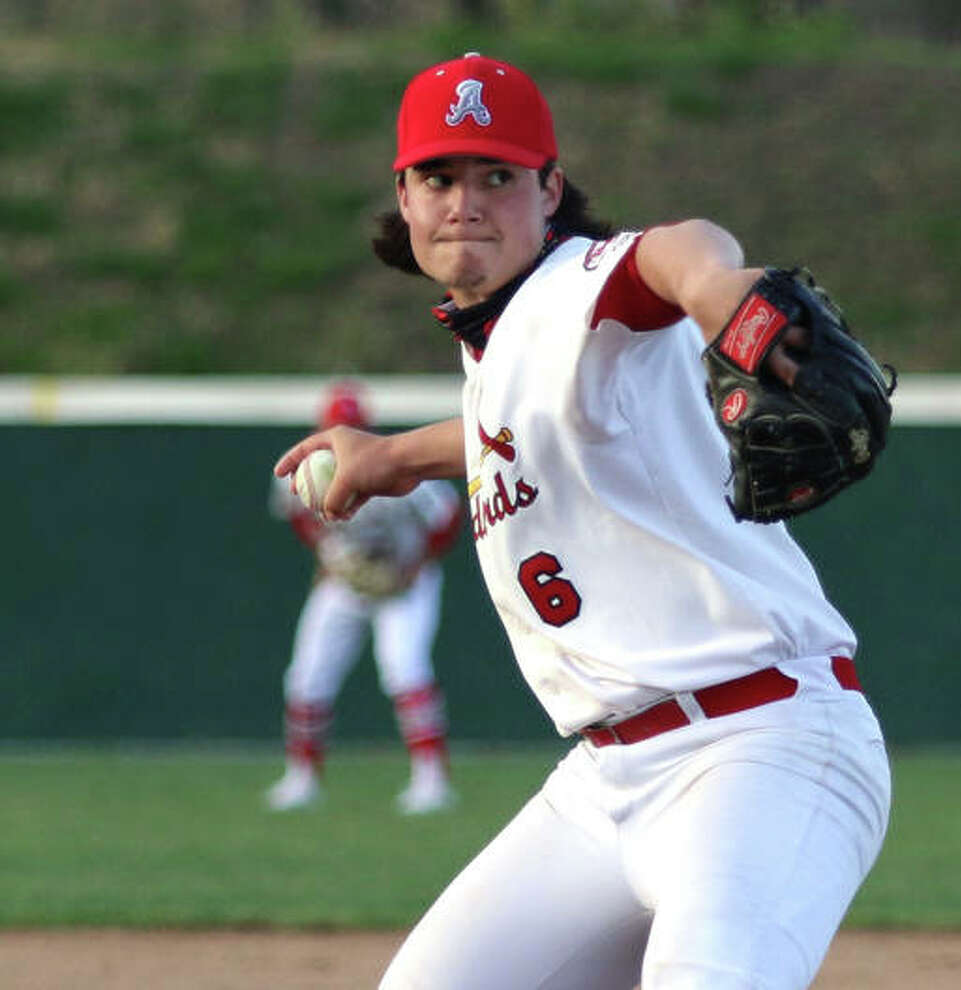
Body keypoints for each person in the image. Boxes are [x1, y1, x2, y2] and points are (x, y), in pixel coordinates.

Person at [276, 53, 891, 990]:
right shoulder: (504, 344)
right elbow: (510, 433)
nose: (466, 202)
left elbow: (677, 248)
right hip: (605, 786)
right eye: (439, 177)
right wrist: (393, 456)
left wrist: (719, 293)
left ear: (550, 191)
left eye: (498, 177)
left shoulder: (576, 285)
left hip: (761, 749)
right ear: (403, 198)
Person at [266, 381, 464, 815]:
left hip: (403, 581)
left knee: (405, 672)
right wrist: (324, 553)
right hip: (344, 581)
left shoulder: (389, 466)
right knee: (306, 676)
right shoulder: (302, 470)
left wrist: (418, 565)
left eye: (350, 425)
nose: (343, 431)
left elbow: (447, 517)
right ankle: (302, 778)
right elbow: (297, 516)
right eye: (336, 424)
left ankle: (432, 780)